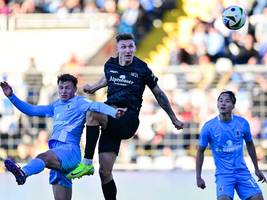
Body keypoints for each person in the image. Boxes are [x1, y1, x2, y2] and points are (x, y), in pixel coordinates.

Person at [67, 33, 184, 200]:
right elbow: (108, 78)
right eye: (124, 47)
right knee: (104, 172)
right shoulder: (110, 64)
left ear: (135, 48)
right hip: (110, 117)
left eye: (131, 46)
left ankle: (86, 163)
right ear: (118, 49)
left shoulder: (142, 68)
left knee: (92, 113)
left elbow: (158, 93)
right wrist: (93, 88)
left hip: (127, 119)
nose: (128, 50)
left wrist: (173, 118)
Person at [0, 74, 126, 200]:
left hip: (69, 152)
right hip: (58, 154)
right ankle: (25, 172)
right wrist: (11, 96)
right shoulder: (56, 106)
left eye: (67, 88)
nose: (63, 91)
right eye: (61, 88)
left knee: (42, 157)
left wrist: (114, 112)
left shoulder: (80, 102)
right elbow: (31, 110)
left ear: (75, 89)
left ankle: (23, 173)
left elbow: (97, 106)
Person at [196, 91, 266, 200]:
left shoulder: (242, 123)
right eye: (220, 101)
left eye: (227, 101)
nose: (223, 103)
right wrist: (198, 176)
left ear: (233, 106)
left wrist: (257, 169)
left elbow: (250, 145)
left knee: (258, 198)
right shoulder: (209, 127)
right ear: (217, 104)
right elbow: (200, 151)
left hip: (242, 173)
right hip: (224, 175)